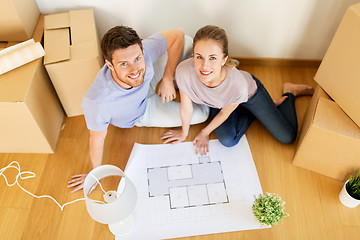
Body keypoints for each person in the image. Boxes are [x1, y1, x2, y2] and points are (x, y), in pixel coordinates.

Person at [68, 26, 209, 193]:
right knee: (201, 114)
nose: (134, 69)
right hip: (141, 113)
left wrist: (168, 78)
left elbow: (177, 34)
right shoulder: (98, 103)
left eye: (137, 58)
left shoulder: (144, 52)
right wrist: (94, 173)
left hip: (150, 82)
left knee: (186, 41)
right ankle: (185, 79)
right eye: (123, 64)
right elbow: (96, 140)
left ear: (142, 49)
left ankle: (178, 80)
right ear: (109, 65)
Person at [161, 25, 314, 155]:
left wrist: (204, 132)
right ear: (193, 55)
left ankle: (290, 92)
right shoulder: (183, 72)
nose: (204, 66)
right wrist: (184, 132)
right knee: (228, 140)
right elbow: (186, 107)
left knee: (287, 137)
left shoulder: (238, 85)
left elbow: (224, 114)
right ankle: (253, 111)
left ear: (224, 59)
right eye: (199, 57)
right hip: (222, 103)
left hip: (249, 95)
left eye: (213, 58)